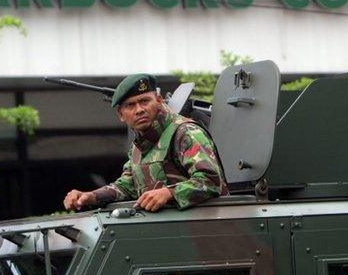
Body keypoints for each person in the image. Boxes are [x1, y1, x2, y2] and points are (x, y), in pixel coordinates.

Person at [63, 73, 228, 212]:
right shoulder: (139, 146)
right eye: (130, 105)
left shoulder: (185, 132)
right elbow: (127, 186)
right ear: (121, 114)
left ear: (158, 100)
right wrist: (91, 196)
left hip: (206, 230)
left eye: (144, 101)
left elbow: (211, 181)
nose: (139, 110)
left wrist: (168, 193)